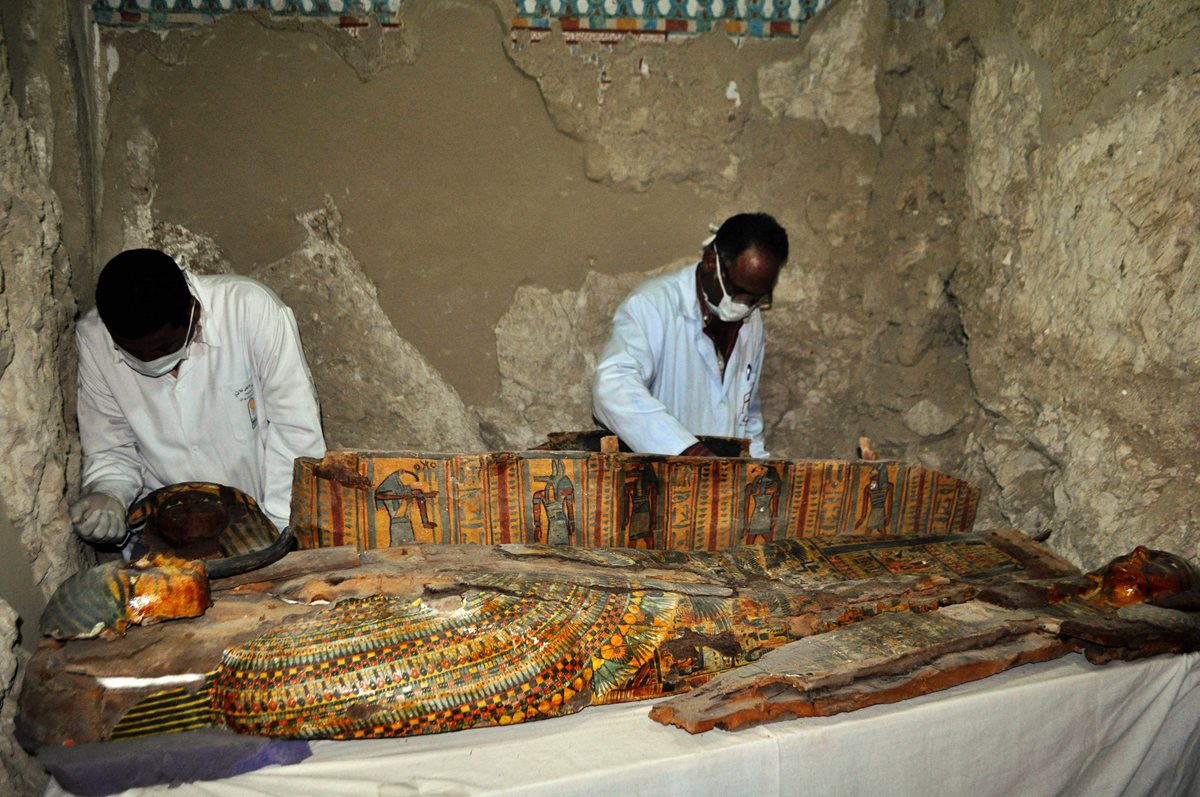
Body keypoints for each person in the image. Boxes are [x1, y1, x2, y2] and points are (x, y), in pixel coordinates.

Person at [70, 248, 326, 546]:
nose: (148, 360)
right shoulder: (94, 339)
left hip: (263, 520)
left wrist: (279, 533)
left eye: (162, 348)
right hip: (163, 538)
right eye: (133, 353)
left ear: (194, 311)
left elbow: (295, 429)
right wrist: (109, 494)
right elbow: (111, 448)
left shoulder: (249, 310)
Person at [592, 213, 788, 459]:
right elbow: (612, 385)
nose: (745, 304)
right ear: (710, 262)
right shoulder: (653, 304)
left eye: (757, 298)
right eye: (739, 291)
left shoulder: (751, 319)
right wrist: (684, 450)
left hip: (723, 481)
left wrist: (757, 469)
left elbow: (747, 413)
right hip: (663, 478)